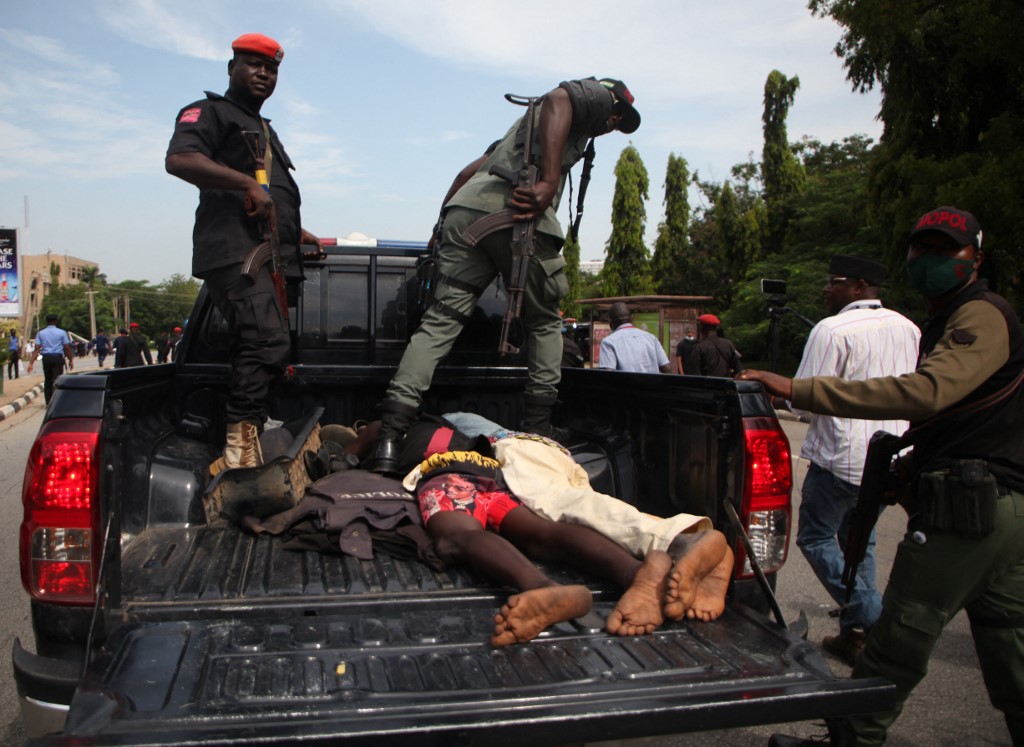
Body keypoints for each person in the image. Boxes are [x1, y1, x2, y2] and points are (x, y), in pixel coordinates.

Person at [739, 207, 1024, 747]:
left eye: (948, 252)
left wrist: (796, 388)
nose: (930, 262)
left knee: (899, 636)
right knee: (1009, 646)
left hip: (968, 507)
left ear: (976, 259)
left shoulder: (980, 315)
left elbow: (926, 393)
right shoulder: (929, 322)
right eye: (923, 250)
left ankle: (851, 737)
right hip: (987, 501)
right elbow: (965, 416)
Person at [371, 77, 642, 473]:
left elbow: (466, 174)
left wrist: (439, 226)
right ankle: (539, 432)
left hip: (465, 214)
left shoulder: (509, 143)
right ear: (610, 102)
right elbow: (559, 97)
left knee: (439, 323)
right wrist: (550, 180)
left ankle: (390, 438)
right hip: (516, 214)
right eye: (617, 116)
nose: (613, 122)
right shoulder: (593, 98)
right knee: (546, 321)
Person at [166, 33, 322, 473]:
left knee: (261, 347)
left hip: (272, 253)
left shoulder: (263, 128)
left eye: (271, 69)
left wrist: (297, 232)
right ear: (231, 67)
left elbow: (269, 194)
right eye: (253, 64)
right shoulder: (211, 112)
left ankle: (250, 431)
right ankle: (238, 450)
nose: (264, 74)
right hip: (238, 254)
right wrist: (247, 184)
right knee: (266, 340)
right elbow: (180, 160)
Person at [784, 255, 920, 666]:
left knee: (816, 537)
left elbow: (805, 400)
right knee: (861, 542)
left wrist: (779, 394)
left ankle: (874, 619)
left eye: (834, 282)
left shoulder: (831, 330)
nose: (827, 289)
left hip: (842, 459)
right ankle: (853, 637)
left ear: (859, 287)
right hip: (891, 456)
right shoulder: (909, 328)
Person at [597, 302, 671, 373]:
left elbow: (607, 375)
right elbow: (667, 369)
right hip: (652, 385)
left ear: (610, 323)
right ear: (632, 318)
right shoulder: (651, 338)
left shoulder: (608, 342)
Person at [27, 313, 74, 404]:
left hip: (46, 358)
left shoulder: (41, 333)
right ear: (56, 321)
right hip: (57, 358)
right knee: (57, 380)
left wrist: (31, 363)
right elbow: (67, 348)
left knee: (48, 380)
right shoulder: (62, 332)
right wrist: (71, 360)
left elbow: (37, 349)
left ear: (47, 322)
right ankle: (57, 401)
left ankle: (48, 402)